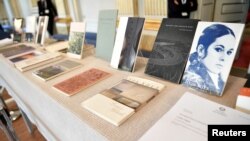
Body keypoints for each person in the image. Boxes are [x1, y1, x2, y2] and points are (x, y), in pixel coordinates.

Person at [182, 24, 236, 95]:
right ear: (201, 50)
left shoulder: (219, 80)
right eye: (219, 49)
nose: (224, 58)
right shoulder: (192, 79)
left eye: (229, 52)